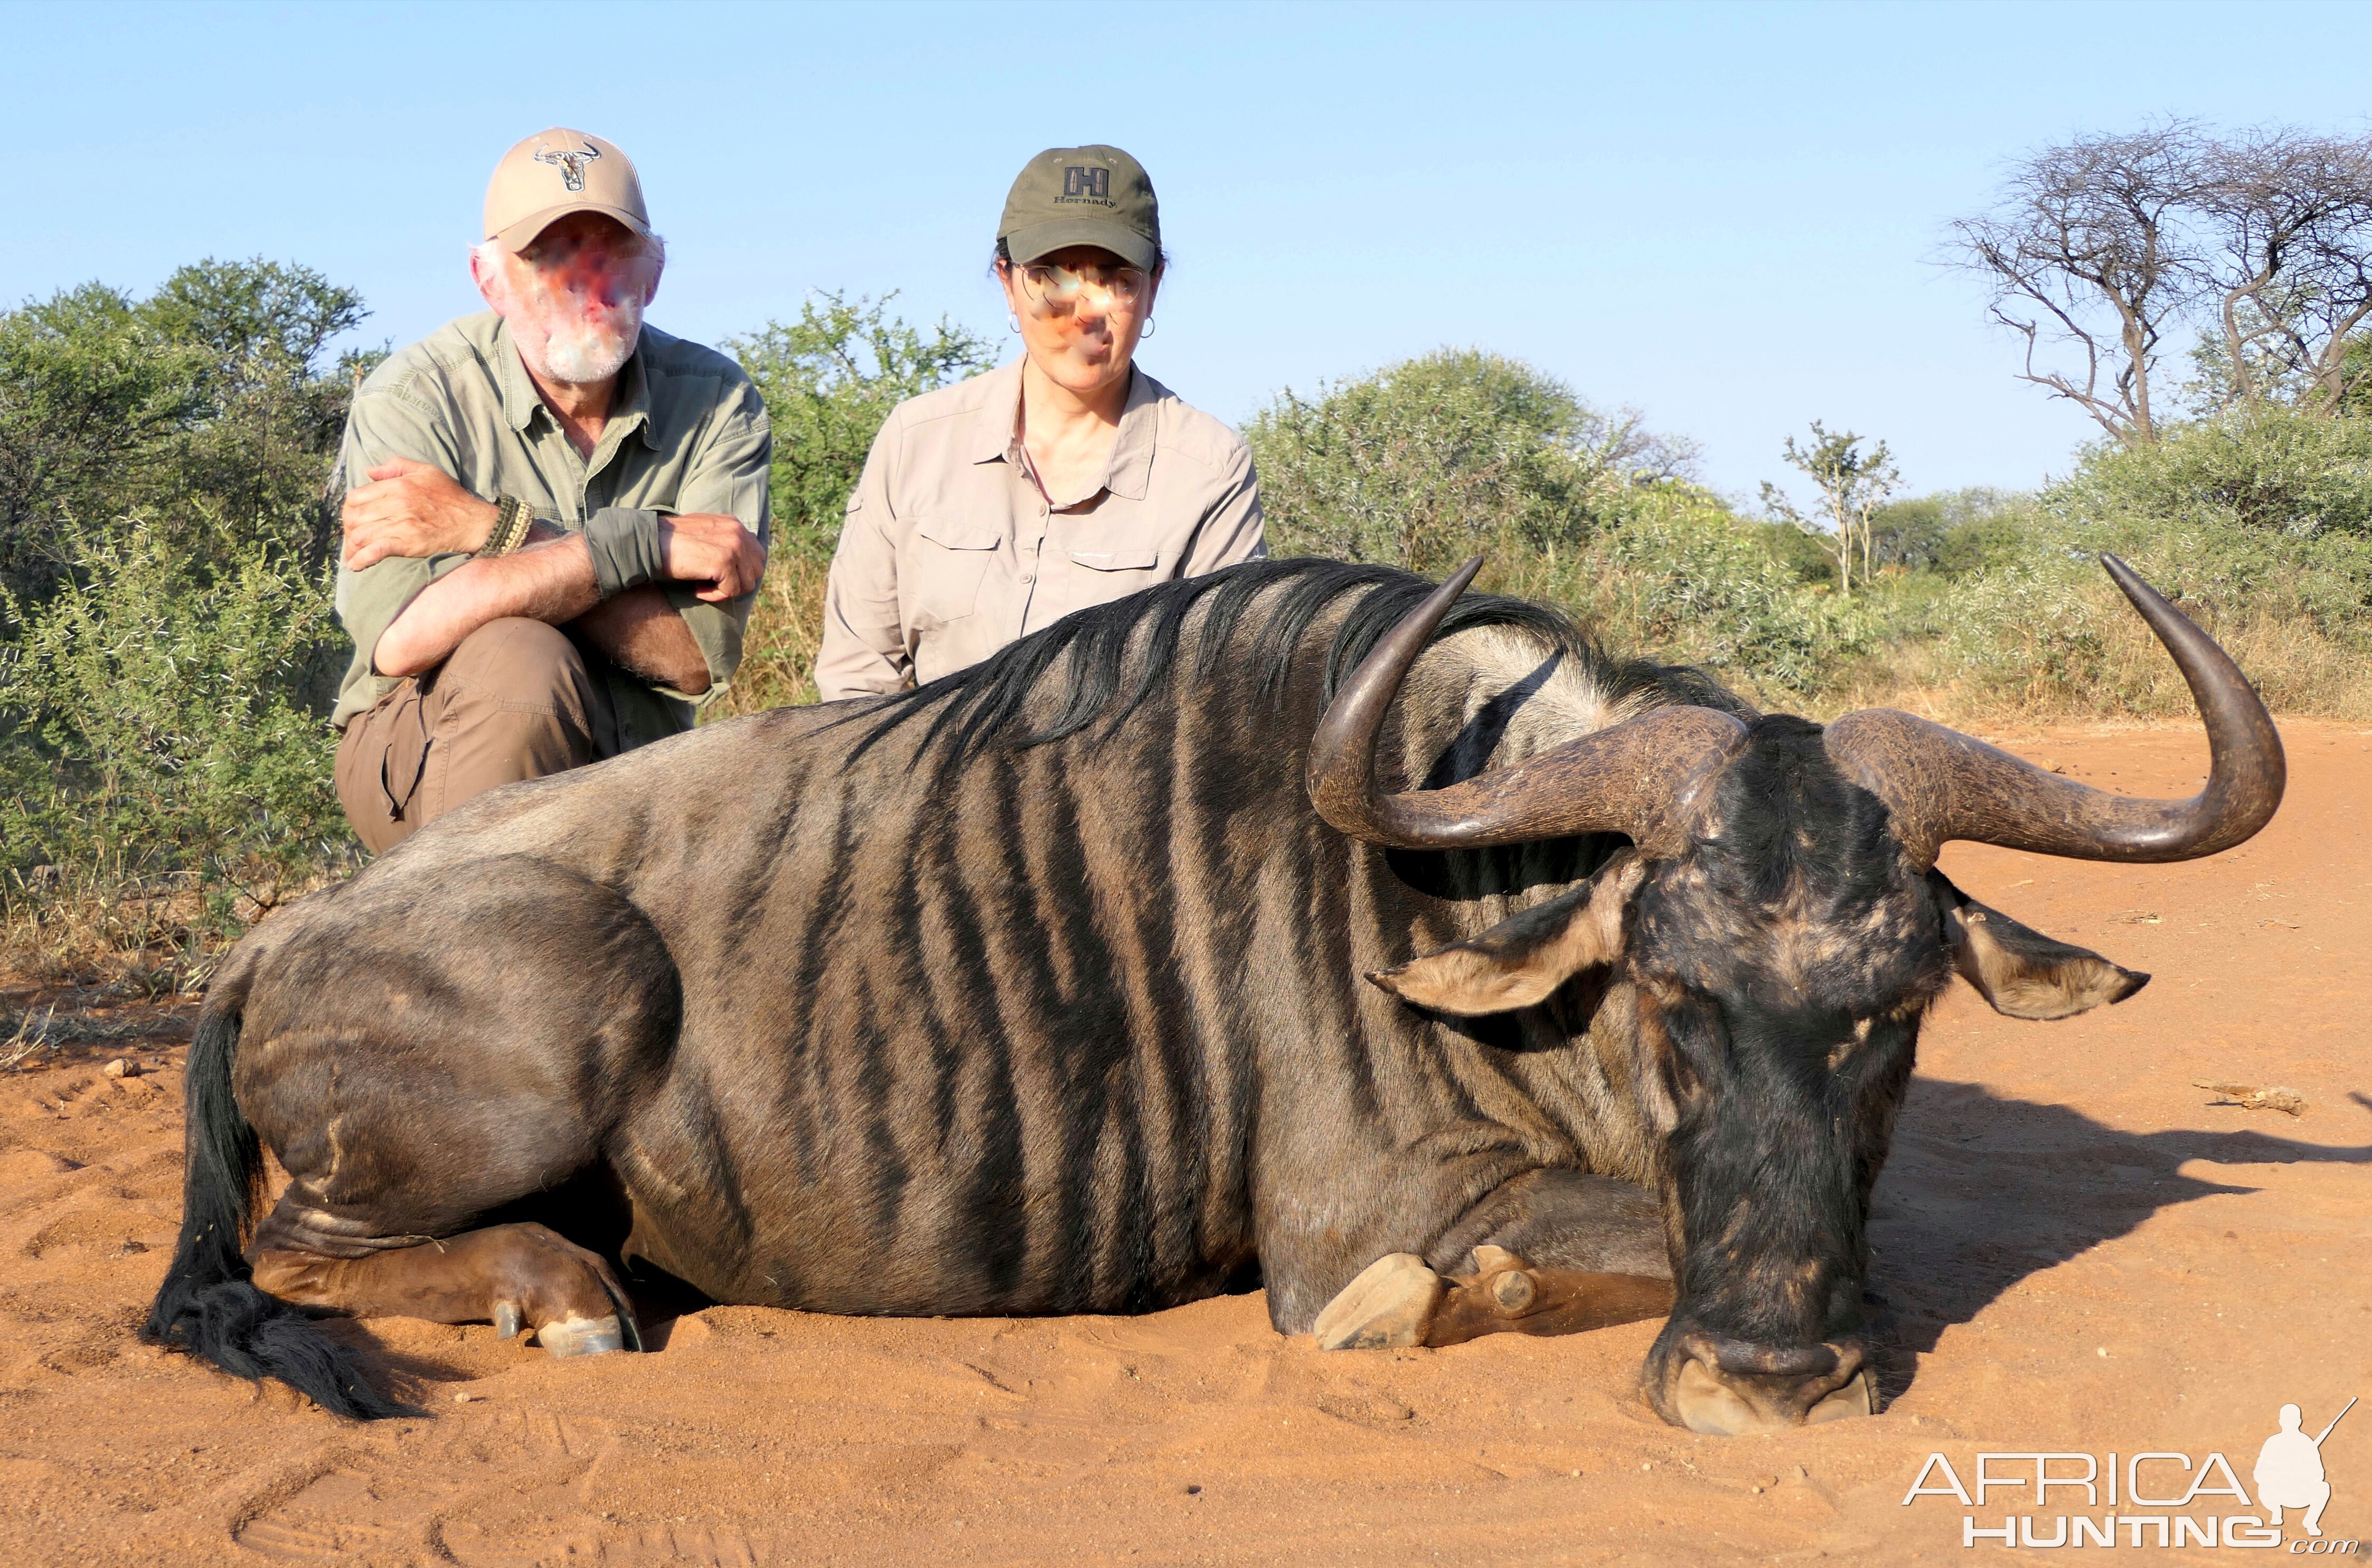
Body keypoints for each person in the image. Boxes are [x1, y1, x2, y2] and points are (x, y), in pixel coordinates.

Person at [330, 128, 769, 853]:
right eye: (549, 256)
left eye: (609, 252)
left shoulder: (718, 400)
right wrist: (646, 547)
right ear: (488, 278)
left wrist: (486, 531)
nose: (584, 285)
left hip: (633, 765)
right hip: (423, 746)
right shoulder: (414, 394)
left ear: (653, 274)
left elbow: (689, 659)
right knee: (523, 658)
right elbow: (405, 639)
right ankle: (462, 943)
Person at [814, 144, 1263, 700]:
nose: (1085, 311)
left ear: (1153, 287)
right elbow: (856, 679)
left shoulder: (1208, 469)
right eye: (1052, 276)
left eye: (1116, 278)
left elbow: (1212, 698)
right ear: (1006, 280)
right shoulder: (916, 441)